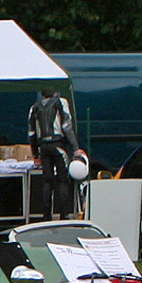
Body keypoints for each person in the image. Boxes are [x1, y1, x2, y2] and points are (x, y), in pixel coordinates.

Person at [28, 88, 88, 221]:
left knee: (47, 180)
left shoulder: (34, 107)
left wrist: (35, 155)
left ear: (42, 95)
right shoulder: (61, 102)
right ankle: (64, 214)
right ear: (55, 94)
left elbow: (31, 133)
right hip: (58, 145)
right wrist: (75, 147)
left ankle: (46, 215)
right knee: (63, 180)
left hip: (43, 147)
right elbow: (67, 125)